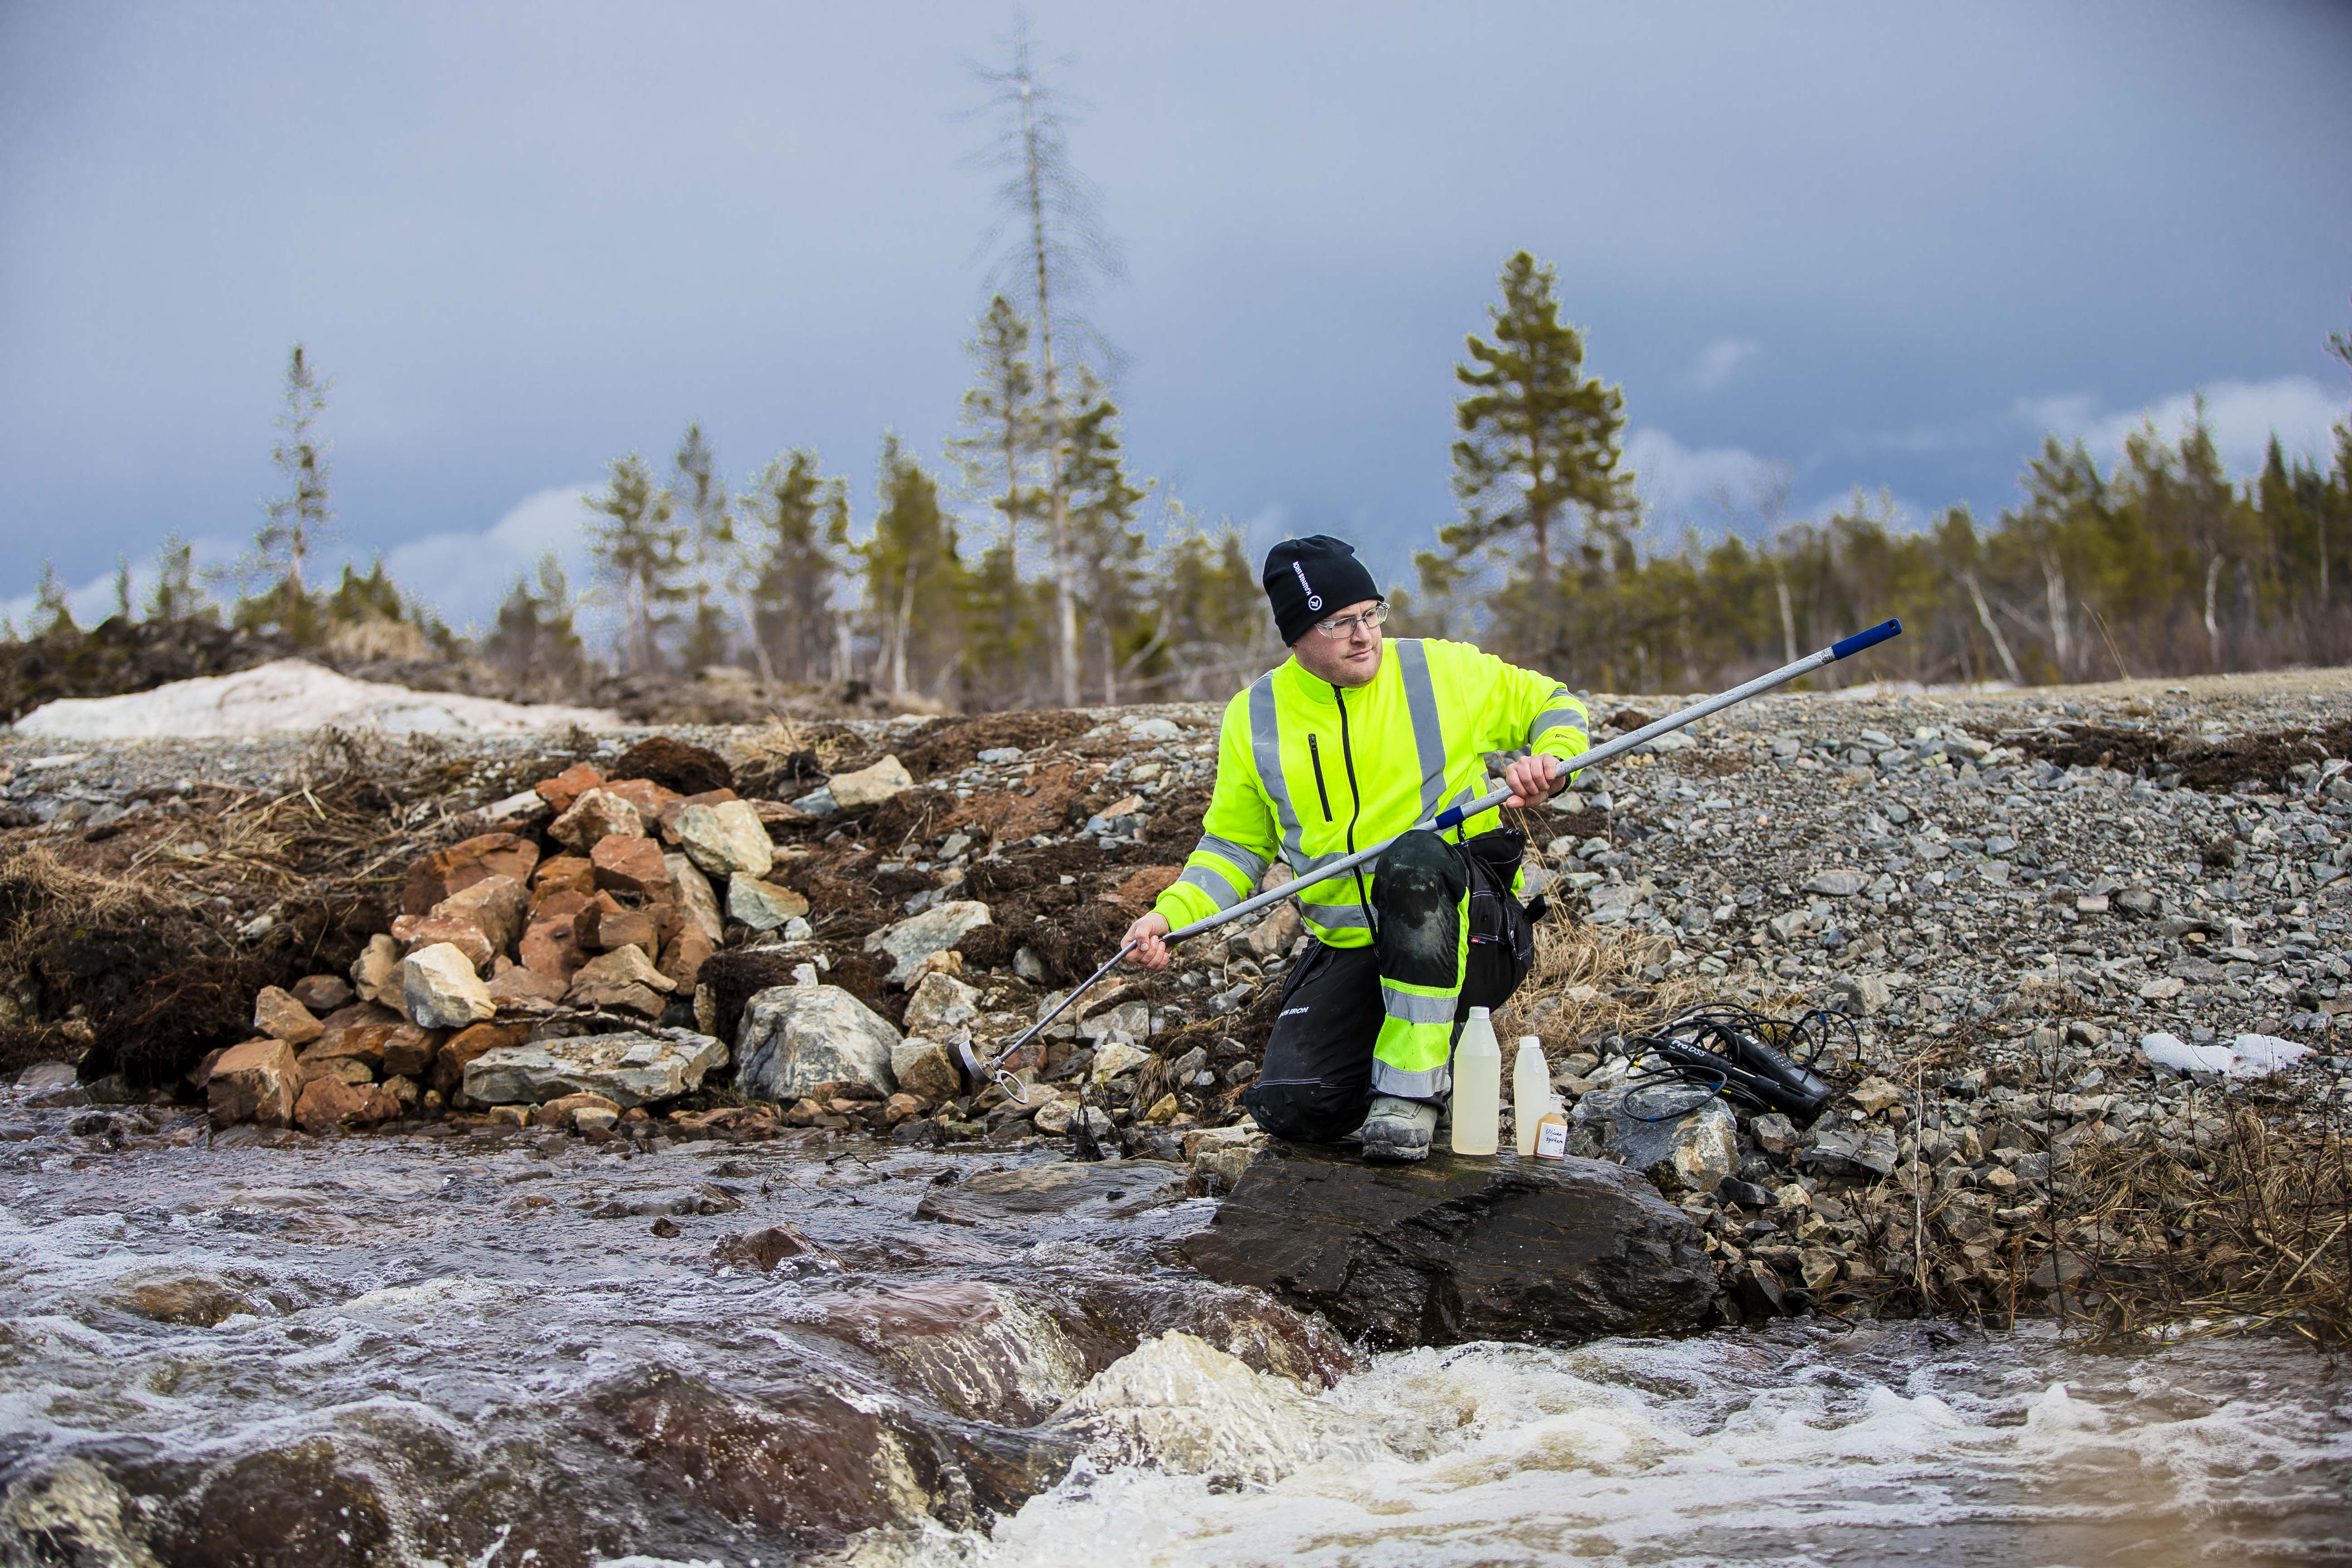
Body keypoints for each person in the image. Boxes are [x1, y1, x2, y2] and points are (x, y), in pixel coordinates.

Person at [1122, 534, 1588, 1161]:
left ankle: (1414, 1095)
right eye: (1340, 622)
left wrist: (1555, 761)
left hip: (1474, 934)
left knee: (1413, 860)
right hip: (1356, 950)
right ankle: (1423, 1067)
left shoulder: (1441, 670)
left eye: (1371, 614)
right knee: (1295, 1106)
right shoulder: (1254, 717)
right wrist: (1168, 917)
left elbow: (1553, 703)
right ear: (1298, 635)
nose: (1364, 634)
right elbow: (1233, 848)